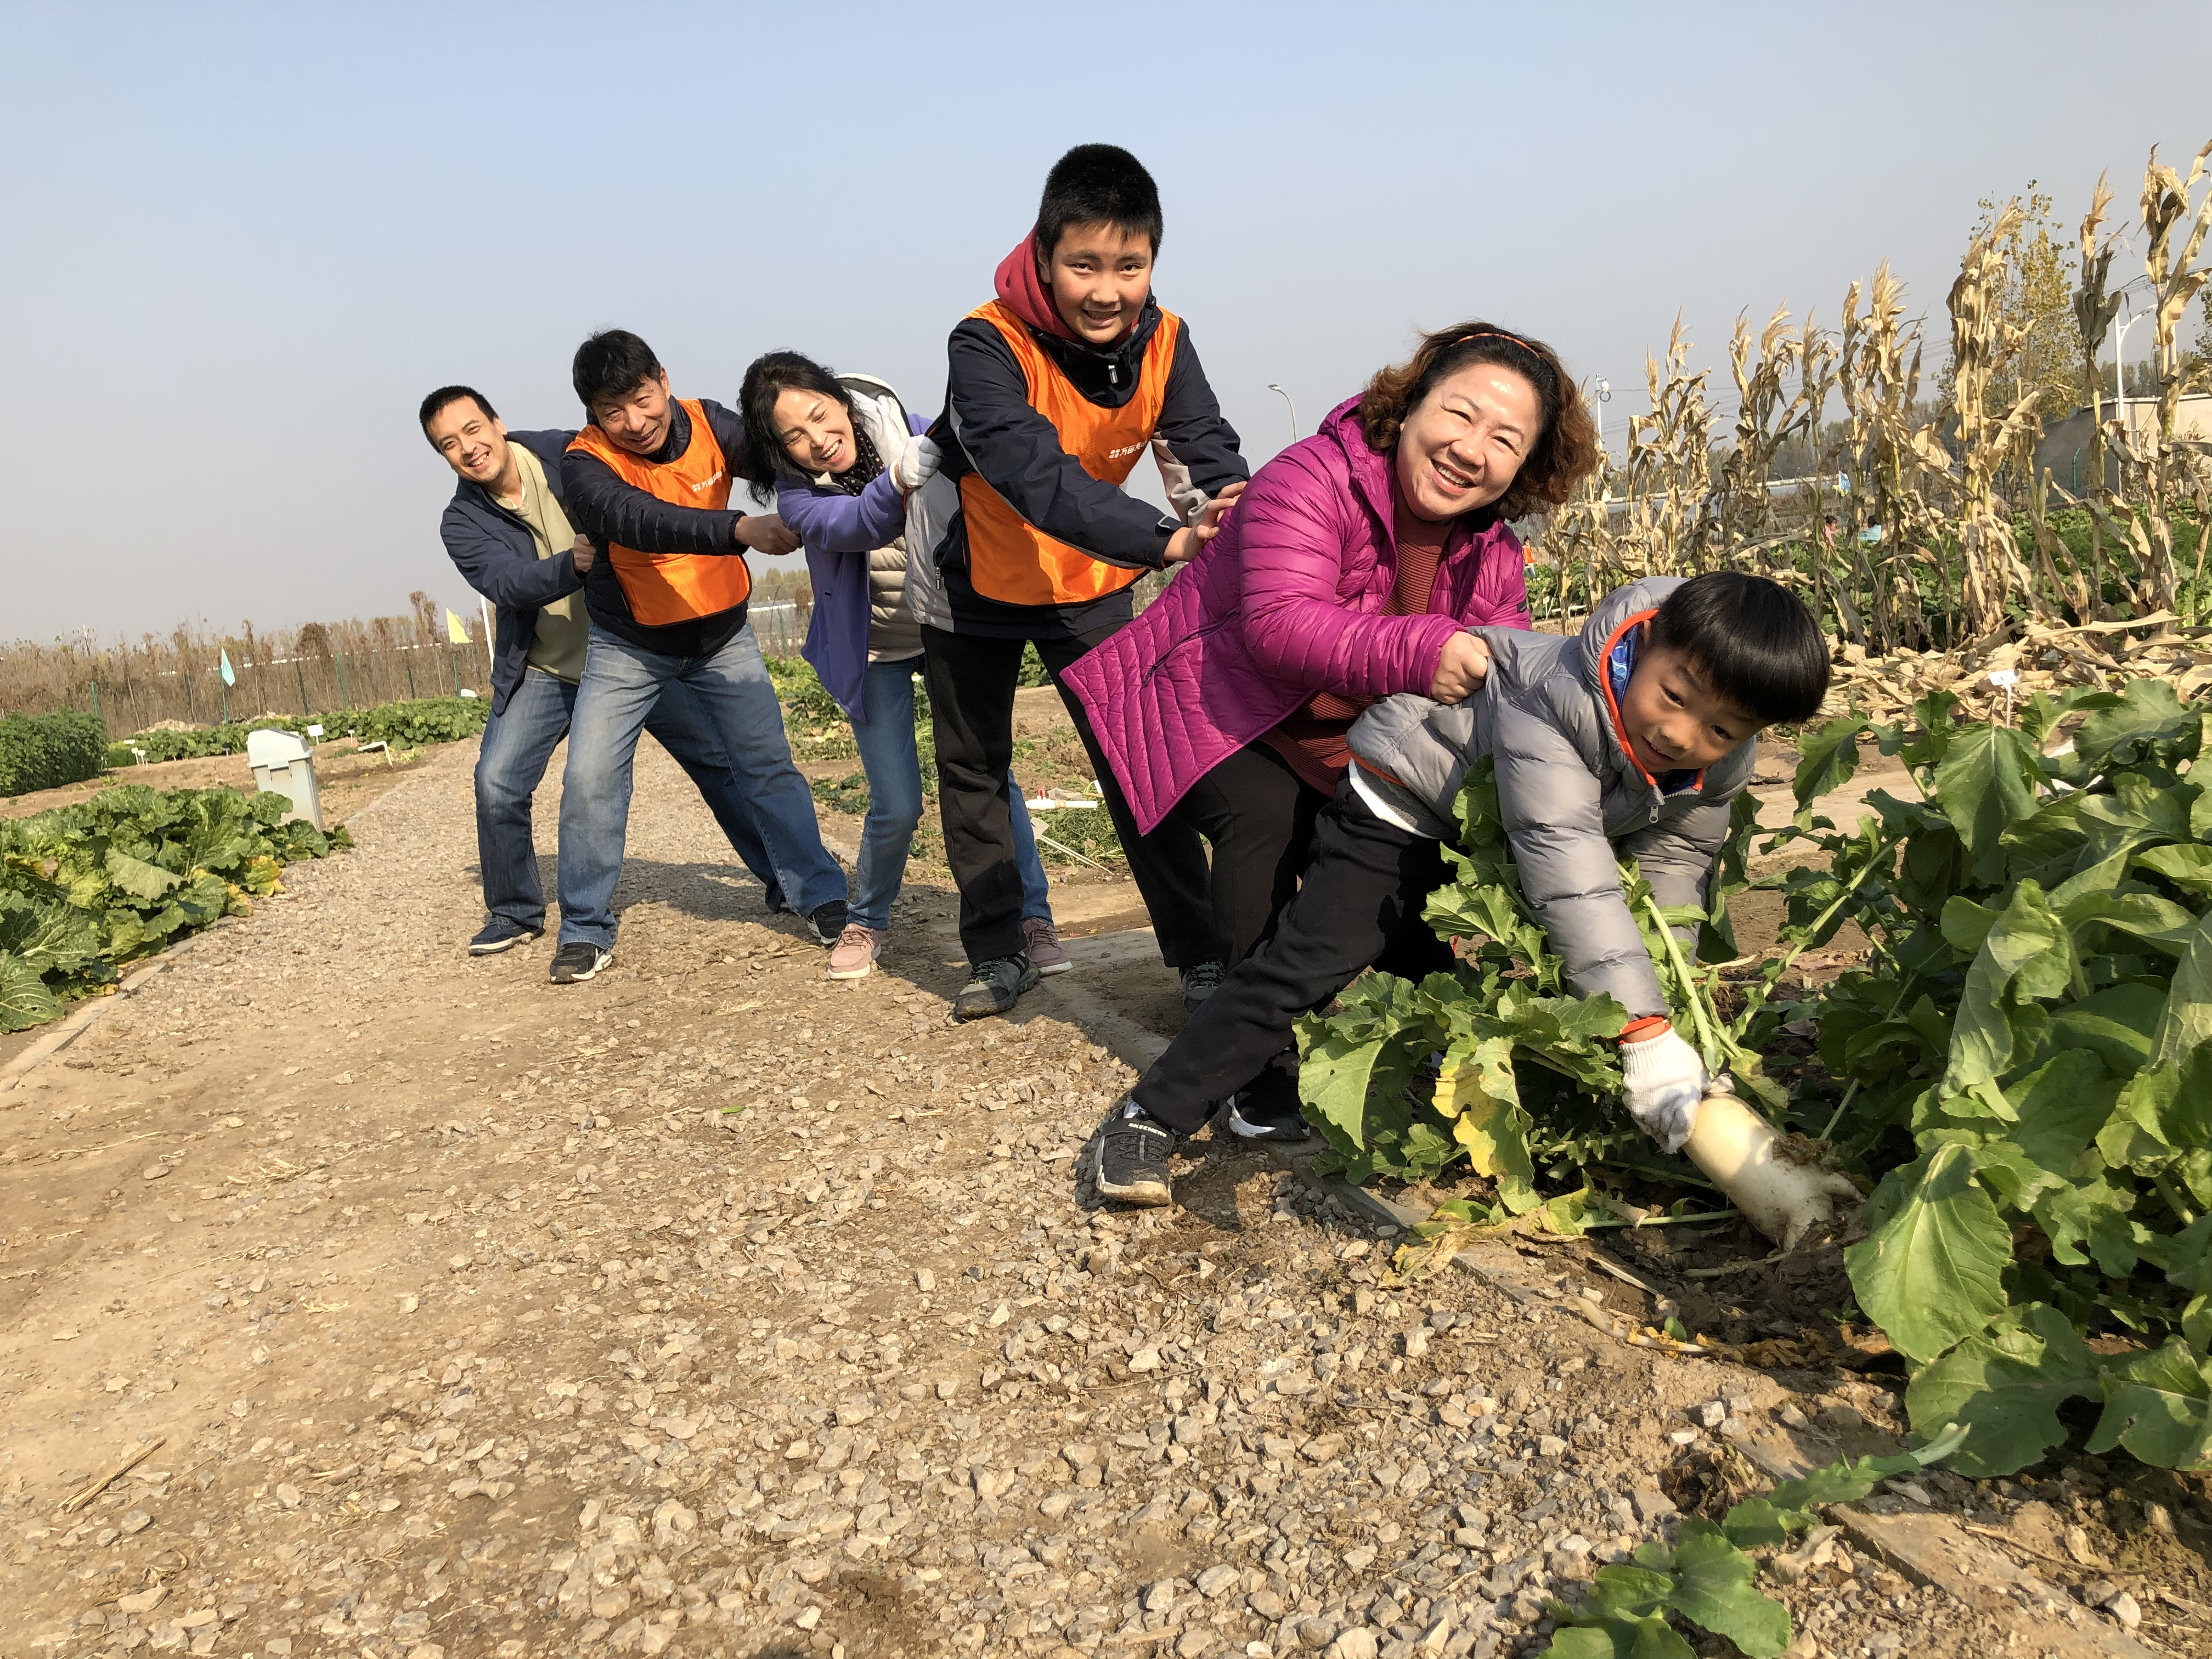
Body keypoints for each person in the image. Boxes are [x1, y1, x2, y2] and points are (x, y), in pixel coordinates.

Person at [1089, 571, 1832, 1208]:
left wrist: (1671, 1006)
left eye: (1722, 729)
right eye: (1675, 695)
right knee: (1309, 963)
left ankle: (1335, 1100)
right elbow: (1567, 860)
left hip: (1473, 835)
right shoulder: (1557, 695)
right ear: (1651, 643)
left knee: (1441, 984)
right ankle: (1150, 1115)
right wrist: (1642, 1030)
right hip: (1399, 802)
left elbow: (1673, 869)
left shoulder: (1720, 760)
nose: (1683, 733)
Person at [1065, 323, 1595, 1138]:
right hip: (1215, 701)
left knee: (1405, 861)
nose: (1470, 449)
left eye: (1505, 439)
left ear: (1527, 466)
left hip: (1350, 734)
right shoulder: (1312, 476)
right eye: (1458, 413)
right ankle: (1254, 1073)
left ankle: (1448, 1038)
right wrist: (1426, 652)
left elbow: (1501, 679)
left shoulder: (1493, 556)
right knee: (1267, 825)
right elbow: (1277, 625)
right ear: (1411, 402)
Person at [903, 143, 1248, 1020]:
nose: (1107, 289)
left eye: (1129, 266)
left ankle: (1199, 951)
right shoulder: (985, 341)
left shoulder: (1166, 339)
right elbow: (1034, 475)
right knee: (974, 769)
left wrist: (1238, 510)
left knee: (1142, 762)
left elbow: (1204, 448)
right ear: (1046, 256)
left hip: (1090, 581)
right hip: (973, 579)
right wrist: (1169, 542)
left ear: (1151, 264)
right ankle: (997, 950)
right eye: (1084, 264)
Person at [421, 385, 798, 955]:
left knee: (716, 762)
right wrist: (569, 565)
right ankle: (516, 910)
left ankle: (786, 880)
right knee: (497, 783)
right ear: (445, 457)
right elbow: (506, 585)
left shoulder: (567, 453)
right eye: (450, 445)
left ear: (497, 422)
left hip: (630, 647)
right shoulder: (461, 523)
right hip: (549, 668)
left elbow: (643, 491)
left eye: (473, 430)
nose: (469, 448)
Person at [740, 352, 1073, 981]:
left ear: (838, 399)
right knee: (896, 804)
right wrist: (896, 481)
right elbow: (859, 521)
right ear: (779, 451)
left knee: (992, 782)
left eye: (819, 415)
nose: (817, 440)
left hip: (948, 630)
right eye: (794, 437)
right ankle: (867, 918)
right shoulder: (798, 498)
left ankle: (1033, 917)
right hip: (873, 651)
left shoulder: (915, 430)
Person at [550, 330, 849, 985]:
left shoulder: (713, 423)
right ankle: (585, 928)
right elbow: (640, 518)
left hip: (722, 638)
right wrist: (740, 529)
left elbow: (782, 457)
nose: (634, 423)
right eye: (612, 413)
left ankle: (821, 895)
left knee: (767, 768)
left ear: (663, 378)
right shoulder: (584, 465)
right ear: (592, 417)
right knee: (591, 781)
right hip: (629, 648)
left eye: (641, 399)